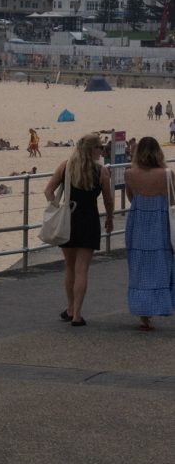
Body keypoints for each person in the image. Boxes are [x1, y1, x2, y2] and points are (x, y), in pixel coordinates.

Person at [43, 132, 114, 326]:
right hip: (89, 220)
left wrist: (57, 207)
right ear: (92, 149)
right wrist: (109, 217)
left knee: (70, 266)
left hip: (69, 219)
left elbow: (48, 191)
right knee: (82, 269)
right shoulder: (101, 171)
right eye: (100, 147)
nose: (102, 151)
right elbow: (108, 199)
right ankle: (77, 314)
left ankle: (70, 308)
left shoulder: (66, 167)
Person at [124, 136, 174, 330]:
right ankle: (159, 305)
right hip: (161, 224)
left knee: (139, 267)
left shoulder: (129, 174)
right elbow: (173, 201)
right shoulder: (167, 174)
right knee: (161, 265)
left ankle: (143, 315)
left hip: (138, 224)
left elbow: (131, 197)